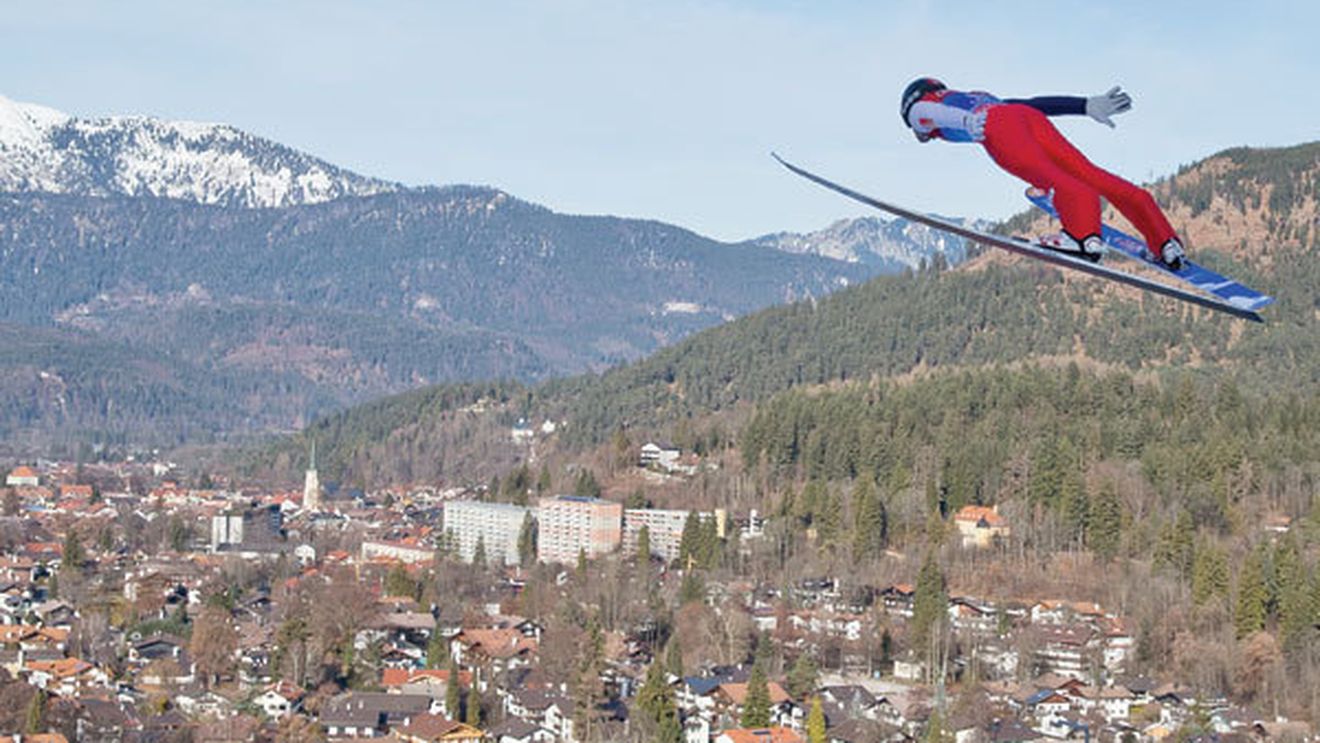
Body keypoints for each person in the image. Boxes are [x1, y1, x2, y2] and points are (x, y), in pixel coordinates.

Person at [900, 77, 1185, 270]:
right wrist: (1085, 105)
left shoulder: (924, 108)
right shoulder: (975, 97)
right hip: (1025, 116)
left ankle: (1082, 237)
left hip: (997, 127)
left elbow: (924, 113)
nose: (917, 133)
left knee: (1054, 178)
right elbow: (1034, 104)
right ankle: (1164, 241)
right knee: (1090, 174)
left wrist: (966, 121)